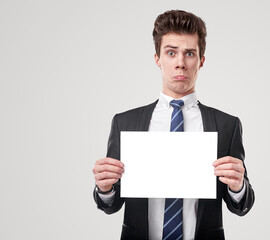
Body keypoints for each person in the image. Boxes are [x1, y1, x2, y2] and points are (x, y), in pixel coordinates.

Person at [92, 10, 255, 240]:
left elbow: (241, 205)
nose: (180, 63)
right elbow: (110, 204)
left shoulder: (227, 125)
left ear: (201, 61)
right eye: (171, 52)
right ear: (157, 58)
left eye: (189, 53)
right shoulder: (124, 123)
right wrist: (105, 188)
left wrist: (238, 187)